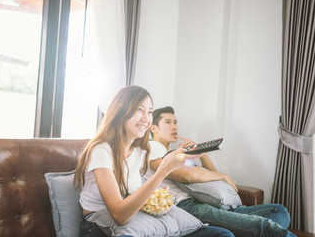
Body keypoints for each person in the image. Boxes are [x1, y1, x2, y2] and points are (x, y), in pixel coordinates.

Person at [74, 86, 235, 237]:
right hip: (100, 223)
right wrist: (220, 175)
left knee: (224, 234)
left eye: (149, 112)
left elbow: (191, 169)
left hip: (152, 209)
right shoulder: (148, 149)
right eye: (139, 109)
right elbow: (187, 175)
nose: (146, 118)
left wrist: (199, 156)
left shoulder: (142, 149)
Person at [144, 106, 296, 237]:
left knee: (278, 210)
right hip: (185, 205)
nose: (174, 126)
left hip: (199, 200)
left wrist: (201, 153)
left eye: (175, 122)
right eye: (168, 122)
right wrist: (223, 176)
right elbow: (188, 176)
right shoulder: (153, 148)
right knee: (263, 226)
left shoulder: (174, 154)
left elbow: (208, 175)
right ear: (154, 128)